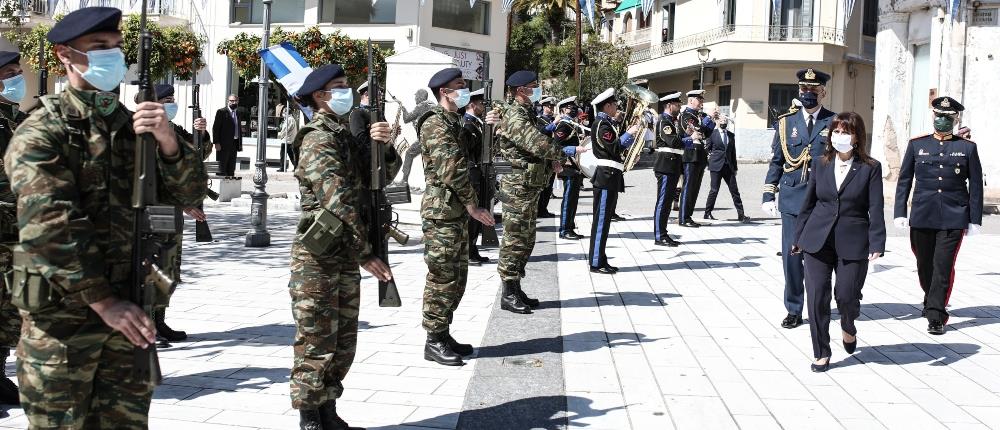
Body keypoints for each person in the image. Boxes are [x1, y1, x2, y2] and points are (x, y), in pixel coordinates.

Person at [4, 7, 207, 426]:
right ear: (65, 55)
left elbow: (190, 196)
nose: (112, 57)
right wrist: (103, 301)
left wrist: (169, 142)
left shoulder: (135, 127)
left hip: (129, 306)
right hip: (66, 320)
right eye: (99, 48)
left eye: (116, 48)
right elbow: (51, 226)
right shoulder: (44, 130)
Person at [287, 64, 395, 429]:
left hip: (344, 251)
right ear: (319, 96)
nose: (348, 92)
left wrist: (383, 145)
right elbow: (338, 201)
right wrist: (366, 253)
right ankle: (310, 420)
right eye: (340, 87)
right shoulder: (318, 137)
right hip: (318, 257)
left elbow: (377, 178)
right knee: (316, 340)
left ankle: (329, 413)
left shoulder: (345, 134)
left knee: (343, 341)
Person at [792, 112, 885, 372]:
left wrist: (877, 241)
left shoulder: (870, 167)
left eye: (845, 132)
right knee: (817, 297)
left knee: (846, 295)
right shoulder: (821, 163)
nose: (839, 137)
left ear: (856, 137)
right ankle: (821, 351)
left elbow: (875, 207)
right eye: (835, 131)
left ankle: (848, 326)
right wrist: (798, 236)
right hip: (817, 240)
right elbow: (808, 202)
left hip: (853, 239)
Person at [417, 68, 497, 366]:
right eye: (459, 87)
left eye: (465, 86)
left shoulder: (457, 122)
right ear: (444, 92)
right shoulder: (435, 124)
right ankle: (433, 339)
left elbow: (475, 156)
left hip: (456, 210)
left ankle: (443, 331)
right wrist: (473, 206)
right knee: (442, 277)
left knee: (458, 277)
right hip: (442, 212)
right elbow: (452, 168)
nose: (464, 91)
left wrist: (489, 129)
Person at [894, 96, 983, 335]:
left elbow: (975, 185)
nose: (942, 120)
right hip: (923, 214)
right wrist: (900, 212)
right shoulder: (917, 145)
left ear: (955, 119)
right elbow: (904, 180)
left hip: (954, 216)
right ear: (933, 116)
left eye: (947, 117)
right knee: (924, 264)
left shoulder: (966, 148)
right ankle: (930, 298)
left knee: (943, 265)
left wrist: (975, 219)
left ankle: (936, 314)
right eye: (939, 116)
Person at [138, 84, 212, 348]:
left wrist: (202, 134)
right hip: (153, 210)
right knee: (151, 268)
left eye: (172, 99)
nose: (171, 103)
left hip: (170, 212)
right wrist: (183, 201)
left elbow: (194, 159)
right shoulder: (143, 133)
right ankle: (146, 324)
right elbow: (154, 174)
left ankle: (159, 321)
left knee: (169, 266)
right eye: (166, 99)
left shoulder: (176, 131)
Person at [762, 68, 835, 329]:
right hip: (793, 198)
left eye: (813, 90)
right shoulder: (786, 123)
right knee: (792, 258)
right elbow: (777, 160)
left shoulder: (834, 122)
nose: (808, 94)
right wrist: (768, 193)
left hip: (822, 199)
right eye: (804, 89)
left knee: (821, 256)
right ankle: (794, 308)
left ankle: (820, 304)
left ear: (823, 92)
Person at [496, 71, 564, 313]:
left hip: (528, 185)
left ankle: (515, 287)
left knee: (526, 239)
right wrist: (563, 153)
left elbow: (535, 149)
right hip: (517, 187)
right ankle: (508, 292)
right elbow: (536, 143)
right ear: (520, 90)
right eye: (533, 87)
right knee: (515, 239)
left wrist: (550, 161)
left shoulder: (526, 113)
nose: (537, 90)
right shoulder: (515, 115)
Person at [589, 88, 641, 274]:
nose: (617, 108)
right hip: (605, 177)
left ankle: (600, 258)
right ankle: (596, 261)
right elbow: (614, 147)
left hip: (610, 176)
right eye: (615, 105)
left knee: (605, 221)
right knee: (601, 221)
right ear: (608, 105)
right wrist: (629, 133)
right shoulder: (602, 125)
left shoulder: (606, 123)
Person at [0, 49, 27, 405]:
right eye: (10, 72)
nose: (18, 78)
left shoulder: (19, 121)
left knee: (9, 309)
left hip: (17, 234)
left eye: (19, 71)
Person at [460, 88, 491, 265]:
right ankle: (468, 252)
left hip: (480, 174)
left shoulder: (476, 124)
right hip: (473, 175)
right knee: (471, 217)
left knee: (477, 217)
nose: (483, 107)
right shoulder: (467, 125)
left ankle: (473, 248)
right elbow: (467, 155)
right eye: (481, 104)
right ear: (472, 104)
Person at [552, 96, 590, 240]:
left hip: (574, 166)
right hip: (567, 165)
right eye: (569, 107)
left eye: (574, 107)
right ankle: (564, 229)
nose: (573, 109)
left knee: (573, 198)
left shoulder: (571, 124)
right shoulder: (563, 125)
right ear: (562, 110)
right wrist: (574, 149)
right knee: (569, 198)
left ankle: (569, 226)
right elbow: (555, 146)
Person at [650, 91, 684, 247]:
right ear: (669, 105)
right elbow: (673, 142)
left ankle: (663, 232)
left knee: (668, 201)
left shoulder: (671, 121)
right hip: (665, 165)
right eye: (677, 105)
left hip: (672, 165)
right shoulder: (664, 121)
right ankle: (659, 235)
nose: (679, 107)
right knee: (663, 202)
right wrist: (690, 139)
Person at [677, 90, 714, 227]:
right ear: (691, 100)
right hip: (690, 154)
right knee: (688, 186)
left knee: (695, 187)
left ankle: (688, 216)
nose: (701, 103)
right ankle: (683, 217)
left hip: (700, 154)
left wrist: (712, 119)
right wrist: (707, 119)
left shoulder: (699, 115)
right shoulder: (686, 115)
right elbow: (696, 129)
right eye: (699, 100)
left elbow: (708, 132)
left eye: (702, 100)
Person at [703, 115, 750, 222]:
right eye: (721, 120)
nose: (724, 122)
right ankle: (707, 213)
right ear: (717, 121)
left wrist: (735, 167)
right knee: (714, 190)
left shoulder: (731, 135)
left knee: (734, 191)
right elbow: (707, 149)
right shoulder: (712, 134)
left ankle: (741, 214)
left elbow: (733, 152)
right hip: (716, 166)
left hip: (728, 166)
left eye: (725, 120)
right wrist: (709, 160)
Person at [398, 88, 438, 187]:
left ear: (420, 96)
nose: (415, 98)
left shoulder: (421, 105)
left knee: (409, 154)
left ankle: (404, 180)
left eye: (416, 96)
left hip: (425, 138)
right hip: (435, 137)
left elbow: (406, 119)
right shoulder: (433, 105)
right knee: (430, 160)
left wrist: (403, 109)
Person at [212, 94, 246, 177]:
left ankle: (229, 185)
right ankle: (220, 186)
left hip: (234, 143)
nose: (233, 102)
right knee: (222, 166)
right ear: (228, 101)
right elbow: (216, 128)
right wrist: (216, 142)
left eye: (235, 101)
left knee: (231, 167)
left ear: (238, 101)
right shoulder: (222, 112)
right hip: (223, 144)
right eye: (231, 101)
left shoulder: (238, 113)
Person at [536, 95, 558, 218]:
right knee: (542, 185)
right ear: (544, 107)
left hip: (552, 156)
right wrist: (554, 123)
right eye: (549, 106)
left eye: (552, 106)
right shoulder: (538, 120)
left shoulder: (553, 120)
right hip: (543, 157)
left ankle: (544, 208)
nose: (551, 108)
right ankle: (539, 209)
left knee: (549, 184)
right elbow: (542, 132)